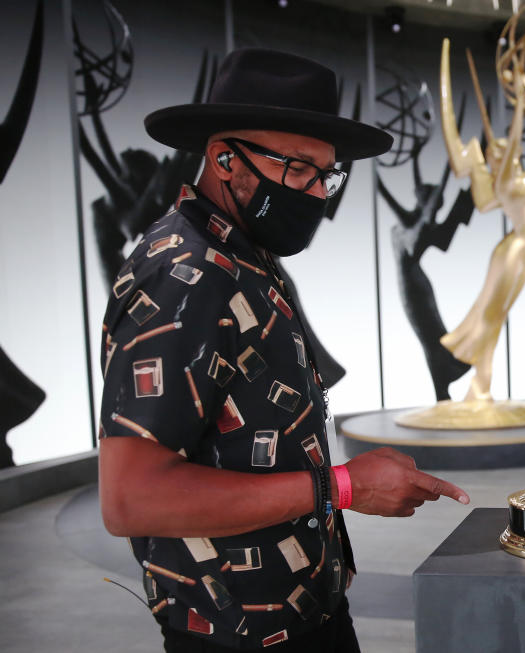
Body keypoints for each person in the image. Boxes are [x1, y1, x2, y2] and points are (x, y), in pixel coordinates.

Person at [98, 48, 470, 652]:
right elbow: (131, 498)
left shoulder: (243, 253)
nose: (318, 192)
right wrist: (342, 487)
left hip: (306, 617)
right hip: (236, 637)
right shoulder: (181, 272)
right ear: (224, 159)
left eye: (327, 174)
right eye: (298, 169)